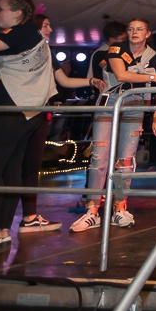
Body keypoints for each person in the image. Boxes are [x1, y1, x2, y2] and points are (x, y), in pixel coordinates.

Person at [0, 0, 56, 258]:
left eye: (1, 9)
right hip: (24, 112)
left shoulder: (21, 32)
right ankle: (1, 231)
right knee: (9, 170)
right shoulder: (28, 36)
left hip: (11, 111)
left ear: (17, 14)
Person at [70, 17, 156, 232]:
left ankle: (120, 208)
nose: (135, 32)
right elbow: (122, 75)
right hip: (109, 102)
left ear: (147, 33)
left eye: (140, 29)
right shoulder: (116, 48)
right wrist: (152, 78)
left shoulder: (153, 56)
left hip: (134, 105)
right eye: (131, 29)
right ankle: (92, 210)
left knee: (126, 160)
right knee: (99, 157)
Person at [20, 15, 105, 234]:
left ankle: (29, 217)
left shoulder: (47, 52)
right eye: (46, 25)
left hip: (39, 113)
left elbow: (64, 80)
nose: (50, 29)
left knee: (32, 166)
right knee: (11, 166)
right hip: (18, 112)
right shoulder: (19, 49)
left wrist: (91, 81)